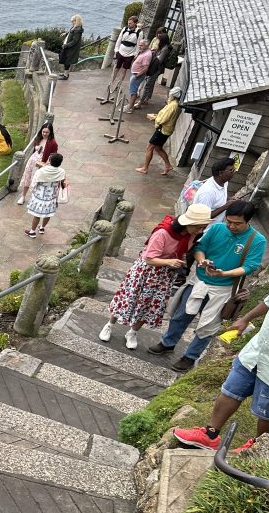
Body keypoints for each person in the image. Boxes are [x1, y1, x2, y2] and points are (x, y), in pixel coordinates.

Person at [149, 201, 266, 371]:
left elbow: (250, 266)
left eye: (237, 223)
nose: (231, 226)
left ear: (248, 221)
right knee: (181, 314)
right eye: (229, 221)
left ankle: (190, 356)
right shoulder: (217, 228)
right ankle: (168, 342)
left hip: (224, 289)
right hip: (200, 281)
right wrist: (202, 260)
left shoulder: (257, 240)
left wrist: (224, 273)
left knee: (208, 326)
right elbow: (199, 247)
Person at [99, 205, 212, 349]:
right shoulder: (163, 233)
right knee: (128, 298)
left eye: (202, 227)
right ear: (188, 223)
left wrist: (178, 260)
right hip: (146, 272)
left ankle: (133, 332)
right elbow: (149, 258)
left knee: (151, 304)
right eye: (198, 227)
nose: (200, 231)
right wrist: (169, 261)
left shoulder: (190, 235)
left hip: (164, 275)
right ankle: (110, 324)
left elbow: (184, 250)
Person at [171, 293, 269, 452]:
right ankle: (210, 435)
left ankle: (258, 447)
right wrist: (245, 319)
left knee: (265, 412)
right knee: (230, 391)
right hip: (255, 353)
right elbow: (267, 302)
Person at [134, 87, 183, 176]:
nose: (169, 96)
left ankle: (145, 168)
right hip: (166, 130)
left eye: (171, 94)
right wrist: (157, 116)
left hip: (162, 130)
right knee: (158, 148)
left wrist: (154, 118)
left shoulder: (172, 106)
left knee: (150, 147)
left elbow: (163, 119)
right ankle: (168, 165)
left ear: (173, 96)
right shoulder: (173, 104)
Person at [25, 154, 66, 238]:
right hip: (51, 197)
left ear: (50, 161)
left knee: (37, 215)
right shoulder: (62, 171)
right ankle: (42, 228)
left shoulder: (41, 171)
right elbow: (62, 182)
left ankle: (32, 231)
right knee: (48, 214)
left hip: (40, 196)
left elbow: (34, 183)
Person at [16, 123, 58, 204]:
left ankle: (34, 198)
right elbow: (35, 150)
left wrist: (46, 164)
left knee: (36, 181)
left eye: (47, 132)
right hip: (32, 161)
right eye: (43, 132)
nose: (44, 134)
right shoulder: (38, 138)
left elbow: (53, 155)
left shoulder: (53, 143)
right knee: (27, 178)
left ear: (51, 132)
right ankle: (23, 196)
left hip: (41, 164)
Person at [193, 158, 239, 224]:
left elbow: (217, 199)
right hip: (204, 231)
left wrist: (228, 199)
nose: (234, 172)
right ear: (220, 173)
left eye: (234, 169)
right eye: (231, 170)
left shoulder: (224, 182)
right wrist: (225, 206)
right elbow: (203, 217)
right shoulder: (208, 192)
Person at [111, 16, 142, 88]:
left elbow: (138, 45)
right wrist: (116, 50)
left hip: (130, 54)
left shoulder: (139, 32)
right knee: (116, 68)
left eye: (130, 23)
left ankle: (118, 85)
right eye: (128, 23)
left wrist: (135, 54)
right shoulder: (124, 29)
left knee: (124, 70)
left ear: (135, 23)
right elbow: (119, 40)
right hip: (121, 51)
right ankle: (111, 83)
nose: (129, 24)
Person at [125, 40, 152, 113]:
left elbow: (145, 68)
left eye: (141, 45)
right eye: (139, 45)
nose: (140, 47)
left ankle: (130, 108)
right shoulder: (144, 51)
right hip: (135, 73)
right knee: (132, 91)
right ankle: (130, 105)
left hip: (137, 75)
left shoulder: (147, 55)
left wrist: (137, 76)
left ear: (146, 45)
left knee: (133, 92)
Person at [58, 15, 84, 80]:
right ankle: (65, 73)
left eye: (72, 21)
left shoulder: (77, 30)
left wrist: (66, 45)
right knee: (65, 60)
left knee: (67, 61)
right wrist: (66, 33)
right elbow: (71, 33)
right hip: (68, 47)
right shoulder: (75, 27)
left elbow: (74, 41)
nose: (71, 22)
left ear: (76, 21)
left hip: (71, 48)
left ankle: (65, 75)